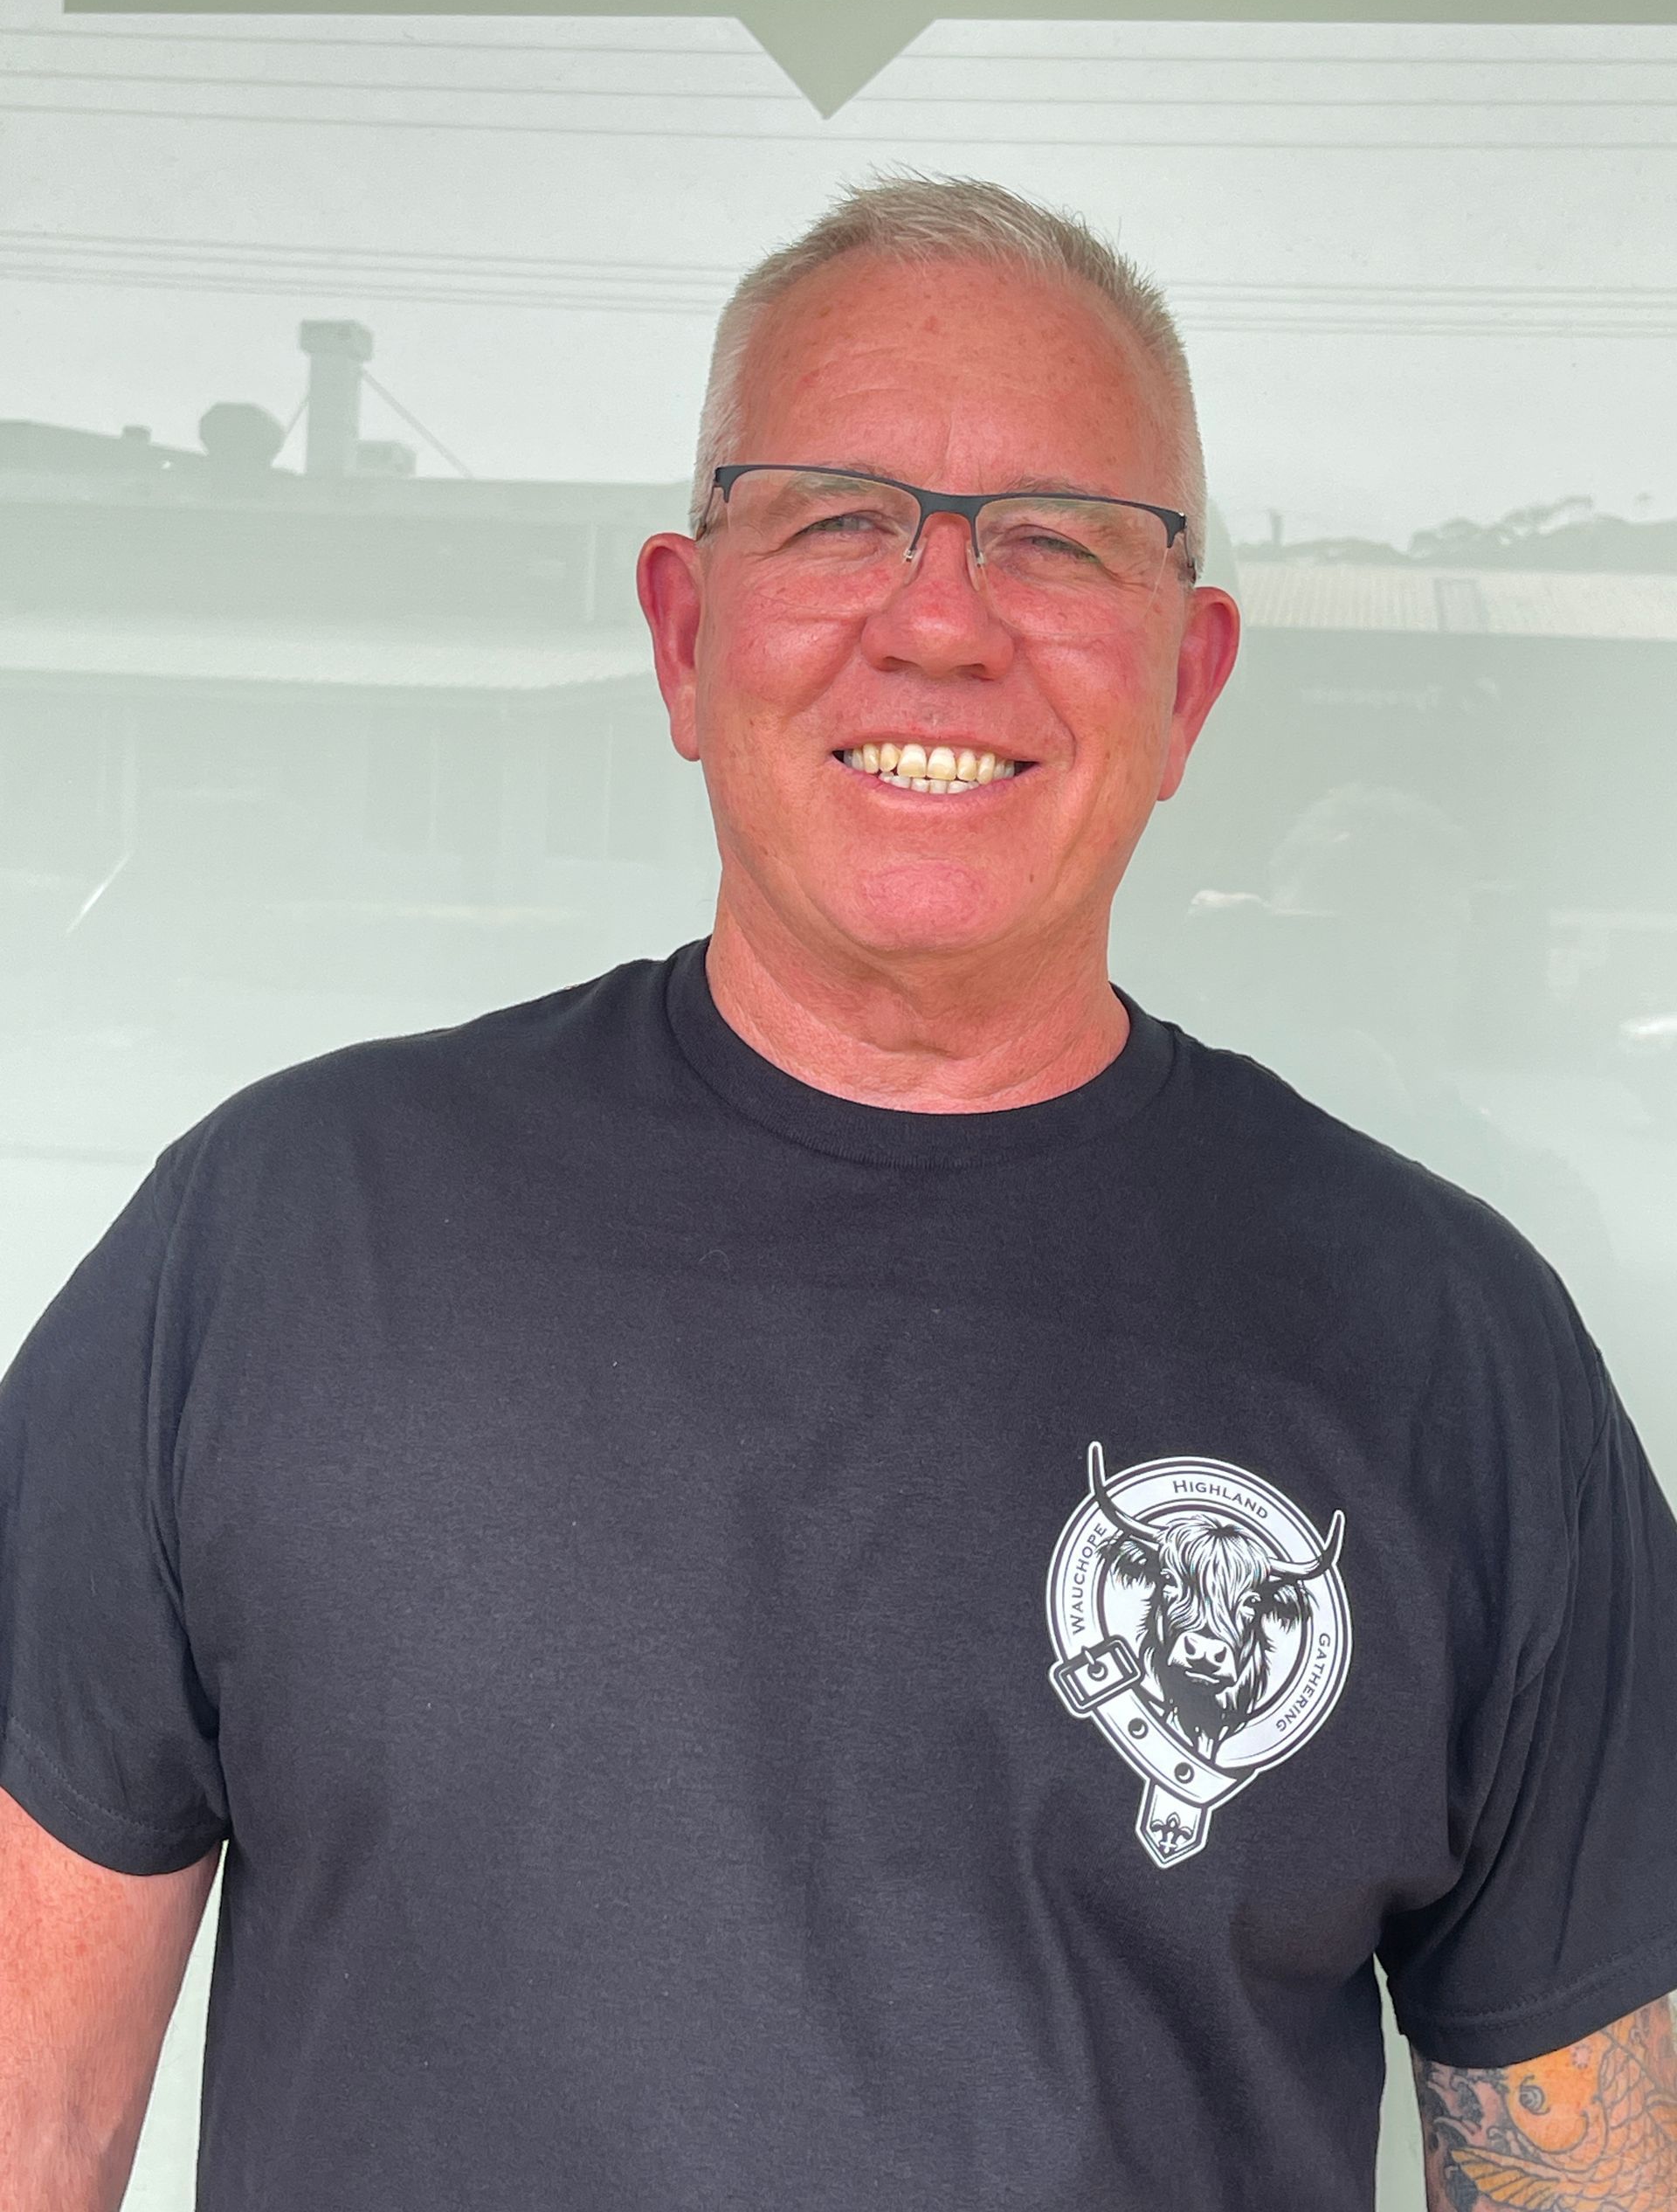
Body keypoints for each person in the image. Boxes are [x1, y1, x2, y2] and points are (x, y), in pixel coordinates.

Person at [3, 174, 1675, 2212]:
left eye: (1059, 537)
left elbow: (1595, 2173)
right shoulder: (270, 1250)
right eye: (836, 515)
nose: (944, 615)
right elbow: (31, 2118)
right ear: (686, 639)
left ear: (1190, 685)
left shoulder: (1446, 1353)